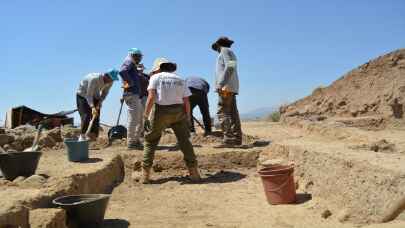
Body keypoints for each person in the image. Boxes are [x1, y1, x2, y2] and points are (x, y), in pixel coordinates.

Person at [141, 58, 201, 183]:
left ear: (158, 68)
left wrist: (145, 116)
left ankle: (145, 176)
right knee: (185, 141)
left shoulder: (155, 78)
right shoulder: (180, 79)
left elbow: (151, 97)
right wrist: (188, 117)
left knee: (151, 140)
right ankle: (194, 173)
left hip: (161, 111)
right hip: (179, 112)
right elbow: (186, 101)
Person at [211, 36, 242, 147]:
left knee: (222, 112)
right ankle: (237, 139)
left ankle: (228, 139)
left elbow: (230, 67)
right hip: (232, 87)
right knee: (233, 114)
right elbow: (231, 67)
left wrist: (220, 84)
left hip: (226, 88)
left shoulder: (224, 51)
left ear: (219, 45)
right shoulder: (231, 52)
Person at [76, 69, 119, 140]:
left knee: (96, 116)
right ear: (106, 75)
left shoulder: (110, 82)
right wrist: (92, 107)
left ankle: (93, 136)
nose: (111, 81)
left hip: (95, 96)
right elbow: (88, 95)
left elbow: (105, 93)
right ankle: (82, 136)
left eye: (113, 80)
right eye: (111, 79)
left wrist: (100, 102)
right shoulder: (94, 79)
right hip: (82, 95)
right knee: (86, 115)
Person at [119, 48, 144, 149]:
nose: (139, 58)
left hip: (133, 94)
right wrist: (130, 82)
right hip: (131, 94)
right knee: (133, 118)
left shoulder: (131, 63)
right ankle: (131, 142)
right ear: (132, 55)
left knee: (136, 117)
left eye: (139, 56)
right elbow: (122, 71)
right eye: (137, 56)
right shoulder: (129, 61)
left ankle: (134, 140)